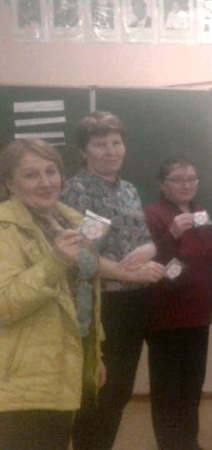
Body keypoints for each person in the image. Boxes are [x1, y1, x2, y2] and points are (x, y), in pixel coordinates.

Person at [64, 111, 166, 450]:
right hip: (98, 304)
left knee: (120, 389)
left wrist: (148, 251)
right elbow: (80, 254)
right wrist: (130, 273)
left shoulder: (128, 189)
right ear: (83, 151)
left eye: (116, 142)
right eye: (100, 144)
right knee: (97, 390)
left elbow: (146, 239)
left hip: (133, 301)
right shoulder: (76, 190)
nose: (111, 151)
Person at [0, 139, 104, 450]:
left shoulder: (67, 220)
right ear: (10, 184)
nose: (45, 182)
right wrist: (55, 261)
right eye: (31, 175)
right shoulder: (5, 228)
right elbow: (4, 304)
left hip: (68, 362)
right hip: (23, 377)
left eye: (51, 171)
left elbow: (84, 294)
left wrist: (94, 356)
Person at [144, 157, 212, 450]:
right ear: (163, 184)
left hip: (199, 312)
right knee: (167, 386)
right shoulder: (153, 214)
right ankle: (169, 444)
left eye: (191, 179)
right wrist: (171, 234)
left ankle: (190, 442)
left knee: (192, 383)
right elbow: (144, 259)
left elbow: (209, 254)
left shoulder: (201, 212)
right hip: (166, 315)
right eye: (177, 179)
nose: (186, 185)